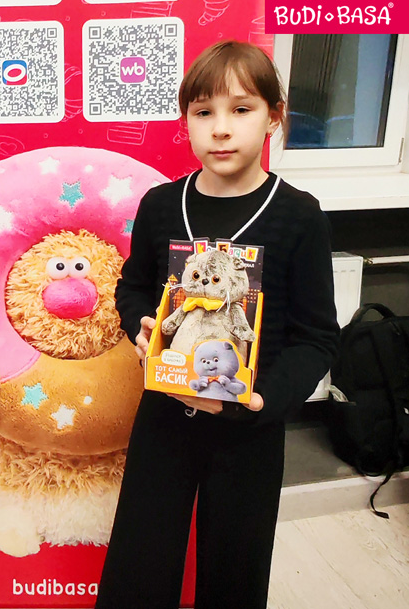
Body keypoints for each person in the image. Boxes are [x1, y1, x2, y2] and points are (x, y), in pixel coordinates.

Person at [95, 40, 340, 609]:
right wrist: (140, 324)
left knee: (235, 572)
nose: (221, 129)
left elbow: (317, 338)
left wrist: (263, 399)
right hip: (163, 418)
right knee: (138, 567)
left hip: (250, 431)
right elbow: (133, 286)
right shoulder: (161, 205)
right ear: (187, 121)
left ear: (274, 118)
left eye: (241, 109)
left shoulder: (299, 215)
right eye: (203, 112)